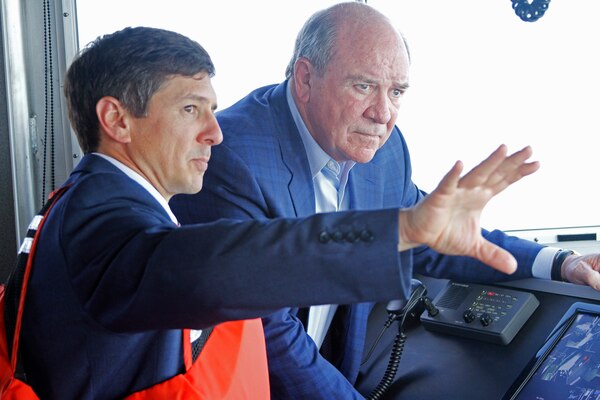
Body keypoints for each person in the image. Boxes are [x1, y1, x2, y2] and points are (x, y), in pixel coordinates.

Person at [7, 25, 539, 400]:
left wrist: (553, 262)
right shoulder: (103, 221)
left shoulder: (94, 201)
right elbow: (221, 268)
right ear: (117, 121)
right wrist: (398, 230)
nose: (214, 133)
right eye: (191, 108)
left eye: (212, 111)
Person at [169, 2, 600, 399]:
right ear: (304, 79)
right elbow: (267, 334)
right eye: (363, 86)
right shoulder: (231, 157)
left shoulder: (383, 152)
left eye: (397, 92)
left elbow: (427, 233)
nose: (383, 113)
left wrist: (561, 264)